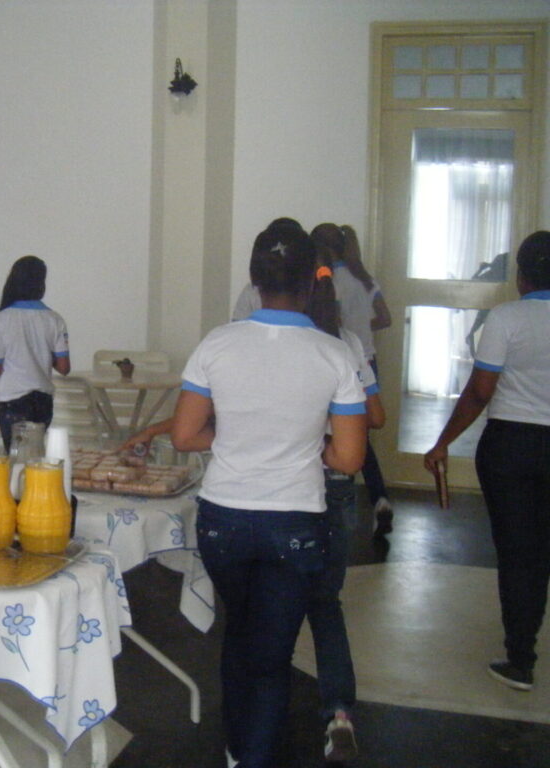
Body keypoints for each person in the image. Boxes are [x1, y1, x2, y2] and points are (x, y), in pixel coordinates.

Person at [173, 226, 366, 767]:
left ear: (255, 281)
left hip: (223, 520)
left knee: (240, 636)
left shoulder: (217, 343)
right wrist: (308, 447)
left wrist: (236, 439)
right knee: (271, 655)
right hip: (295, 524)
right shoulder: (334, 354)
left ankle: (237, 751)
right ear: (310, 282)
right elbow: (348, 459)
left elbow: (185, 436)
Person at [423, 231, 550, 693]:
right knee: (543, 551)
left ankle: (521, 658)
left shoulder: (507, 318)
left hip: (510, 447)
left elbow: (480, 392)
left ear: (521, 275)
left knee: (518, 554)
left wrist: (442, 443)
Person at [304, 231, 386, 762]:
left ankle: (251, 722)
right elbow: (374, 417)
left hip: (282, 486)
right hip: (335, 488)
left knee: (266, 606)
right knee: (326, 605)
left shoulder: (273, 343)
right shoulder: (348, 344)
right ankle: (339, 714)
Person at [334, 224, 394, 533]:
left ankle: (343, 499)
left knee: (341, 435)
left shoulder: (331, 282)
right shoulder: (367, 280)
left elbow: (332, 321)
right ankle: (380, 498)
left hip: (343, 362)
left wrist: (350, 329)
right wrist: (363, 328)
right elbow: (385, 318)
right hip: (368, 362)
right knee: (362, 436)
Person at [0, 255, 70, 451]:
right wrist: (43, 354)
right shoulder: (54, 319)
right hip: (43, 400)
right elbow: (64, 368)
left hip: (13, 400)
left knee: (16, 460)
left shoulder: (2, 319)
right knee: (36, 456)